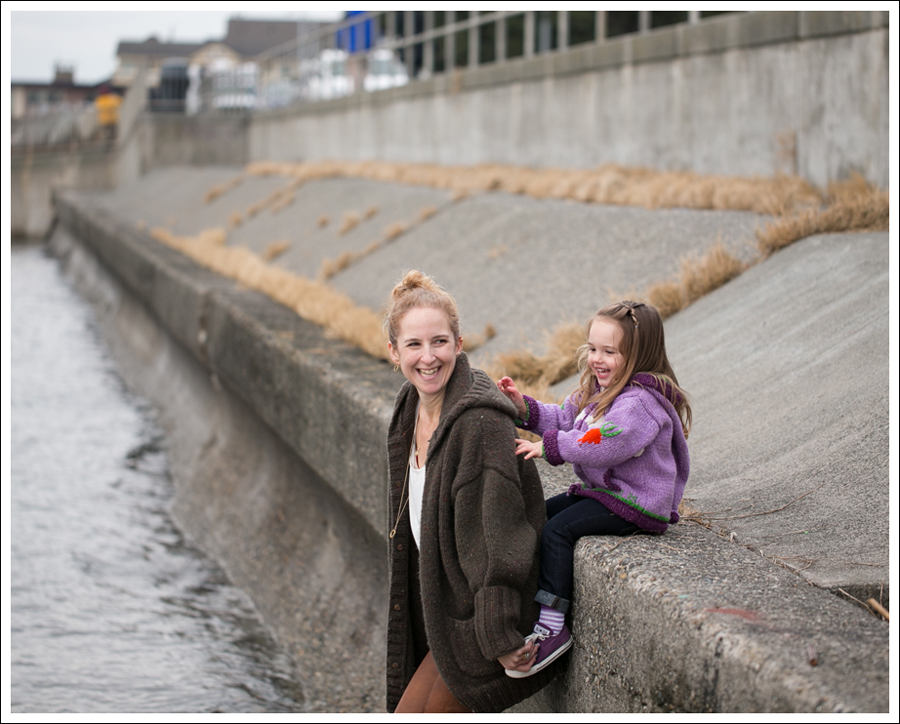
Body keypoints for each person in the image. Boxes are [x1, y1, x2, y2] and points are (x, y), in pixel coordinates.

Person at [384, 270, 559, 712]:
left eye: (439, 341)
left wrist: (499, 635)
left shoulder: (478, 422)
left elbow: (498, 541)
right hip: (452, 613)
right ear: (393, 352)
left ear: (460, 344)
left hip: (489, 616)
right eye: (414, 345)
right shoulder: (408, 410)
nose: (428, 357)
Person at [497, 301, 691, 678]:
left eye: (610, 352)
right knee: (538, 515)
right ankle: (531, 605)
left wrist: (551, 446)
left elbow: (604, 443)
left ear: (639, 355)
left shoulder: (639, 403)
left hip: (635, 502)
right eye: (592, 348)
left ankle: (553, 627)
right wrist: (526, 409)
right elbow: (567, 418)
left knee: (557, 531)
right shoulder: (599, 388)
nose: (596, 359)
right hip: (606, 493)